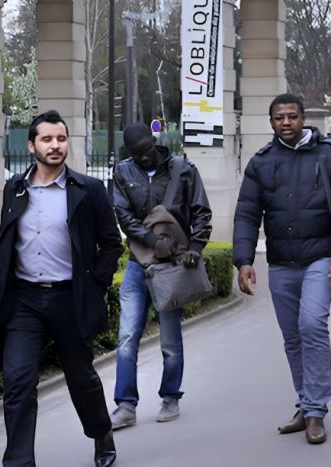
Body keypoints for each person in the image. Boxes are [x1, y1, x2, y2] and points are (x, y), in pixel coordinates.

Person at [233, 94, 331, 444]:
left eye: (292, 116)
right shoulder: (261, 162)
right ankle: (305, 404)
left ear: (304, 119)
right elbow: (247, 212)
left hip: (321, 256)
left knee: (312, 324)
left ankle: (317, 410)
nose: (286, 123)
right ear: (272, 122)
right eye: (279, 118)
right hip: (281, 262)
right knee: (292, 336)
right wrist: (243, 260)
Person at [0, 110, 122, 467]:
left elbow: (111, 243)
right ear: (32, 145)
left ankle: (101, 433)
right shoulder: (14, 188)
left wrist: (94, 284)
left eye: (61, 139)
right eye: (47, 139)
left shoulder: (88, 190)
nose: (55, 145)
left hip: (70, 298)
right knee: (18, 382)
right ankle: (18, 462)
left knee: (81, 379)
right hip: (24, 301)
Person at [109, 122, 212, 429]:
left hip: (173, 265)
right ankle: (126, 405)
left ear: (154, 142)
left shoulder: (182, 169)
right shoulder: (123, 172)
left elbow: (201, 211)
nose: (143, 158)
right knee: (127, 337)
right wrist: (153, 241)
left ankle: (170, 396)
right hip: (139, 264)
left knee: (170, 336)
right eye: (136, 154)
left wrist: (196, 246)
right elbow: (123, 215)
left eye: (146, 151)